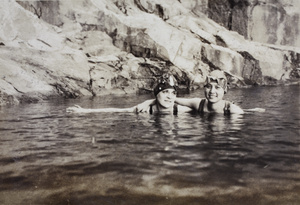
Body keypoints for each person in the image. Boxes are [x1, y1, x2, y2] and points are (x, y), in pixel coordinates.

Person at [66, 73, 192, 114]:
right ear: (156, 94)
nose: (170, 97)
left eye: (173, 93)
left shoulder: (182, 111)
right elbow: (116, 110)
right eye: (165, 92)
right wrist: (85, 111)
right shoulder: (146, 110)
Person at [137, 70, 246, 114]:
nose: (212, 91)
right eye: (208, 87)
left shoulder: (232, 110)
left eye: (217, 88)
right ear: (204, 88)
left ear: (225, 90)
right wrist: (147, 102)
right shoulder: (198, 103)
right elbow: (171, 99)